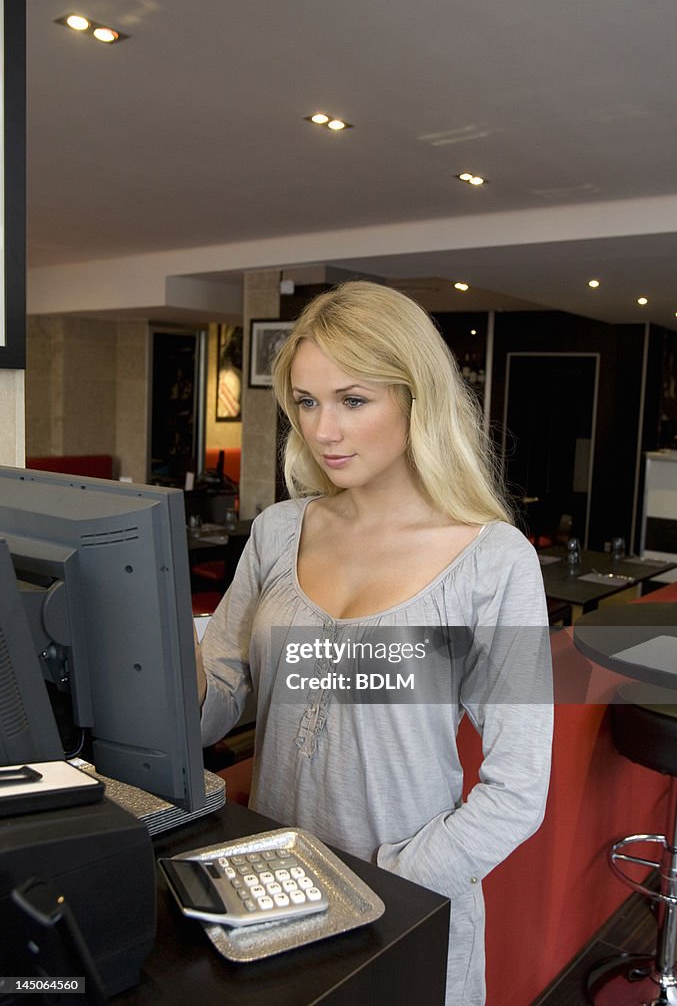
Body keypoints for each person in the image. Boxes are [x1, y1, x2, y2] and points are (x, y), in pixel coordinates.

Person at [196, 280, 553, 1005]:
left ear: (415, 400)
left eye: (352, 401)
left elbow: (517, 793)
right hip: (270, 894)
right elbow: (217, 704)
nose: (323, 430)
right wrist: (151, 657)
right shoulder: (278, 532)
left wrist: (385, 882)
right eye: (305, 401)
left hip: (399, 906)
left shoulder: (492, 559)